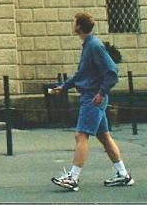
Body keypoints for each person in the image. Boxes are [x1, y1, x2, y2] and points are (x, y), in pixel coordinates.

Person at [49, 12, 133, 192]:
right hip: (94, 96)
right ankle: (123, 174)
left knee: (81, 135)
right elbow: (82, 73)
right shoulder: (89, 45)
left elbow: (112, 71)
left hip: (92, 97)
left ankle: (73, 177)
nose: (72, 24)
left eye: (74, 22)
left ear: (79, 26)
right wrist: (64, 87)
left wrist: (101, 92)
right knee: (104, 136)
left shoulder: (94, 45)